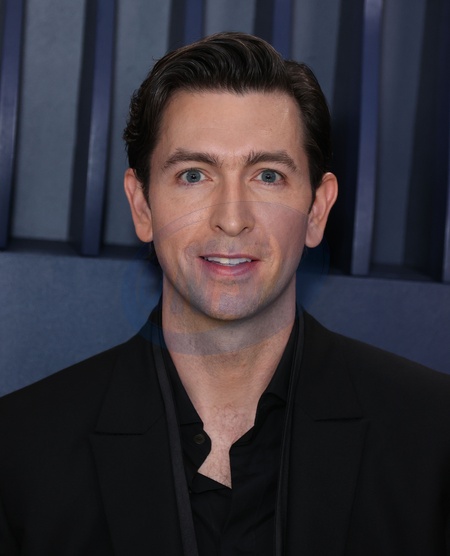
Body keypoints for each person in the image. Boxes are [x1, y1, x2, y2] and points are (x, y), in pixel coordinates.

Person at [0, 32, 449, 556]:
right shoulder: (19, 450)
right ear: (142, 206)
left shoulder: (434, 437)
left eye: (267, 176)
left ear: (317, 209)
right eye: (194, 175)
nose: (231, 219)